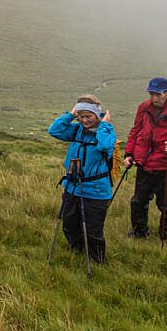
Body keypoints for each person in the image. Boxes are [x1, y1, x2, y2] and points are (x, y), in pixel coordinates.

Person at [124, 77, 167, 241]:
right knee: (138, 201)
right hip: (144, 163)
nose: (154, 98)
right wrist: (129, 154)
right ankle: (139, 232)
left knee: (166, 205)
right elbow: (135, 131)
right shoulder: (144, 107)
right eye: (151, 94)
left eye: (157, 94)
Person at [48, 96, 116, 263]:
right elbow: (54, 130)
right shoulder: (77, 130)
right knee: (69, 223)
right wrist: (71, 115)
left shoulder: (105, 132)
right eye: (81, 116)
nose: (84, 120)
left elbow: (106, 146)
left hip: (96, 190)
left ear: (97, 115)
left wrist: (105, 125)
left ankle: (97, 260)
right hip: (72, 187)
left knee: (93, 230)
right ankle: (76, 251)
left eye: (89, 116)